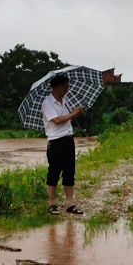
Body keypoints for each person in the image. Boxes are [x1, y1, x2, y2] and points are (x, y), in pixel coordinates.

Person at [40, 74, 84, 215]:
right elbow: (57, 120)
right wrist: (72, 114)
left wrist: (75, 113)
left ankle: (70, 203)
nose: (67, 89)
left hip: (68, 140)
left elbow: (67, 118)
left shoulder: (66, 101)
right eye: (65, 86)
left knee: (69, 173)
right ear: (58, 87)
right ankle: (52, 203)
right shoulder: (47, 103)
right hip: (55, 142)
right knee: (54, 172)